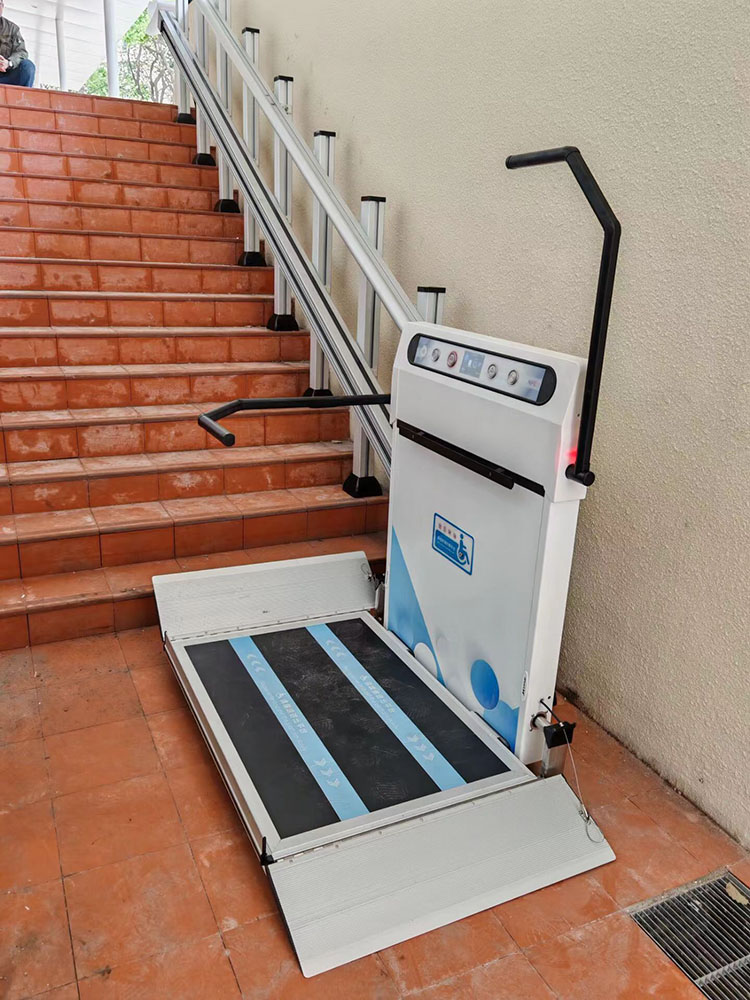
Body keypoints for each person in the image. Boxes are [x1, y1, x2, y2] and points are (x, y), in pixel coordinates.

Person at [0, 2, 35, 87]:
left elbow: (21, 52)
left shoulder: (12, 28)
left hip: (6, 76)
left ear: (2, 6)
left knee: (28, 66)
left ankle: (24, 95)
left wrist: (8, 63)